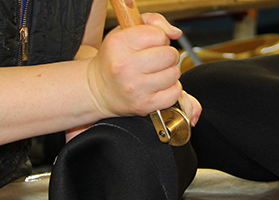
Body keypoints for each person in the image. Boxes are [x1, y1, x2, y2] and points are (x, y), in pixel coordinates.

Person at [0, 0, 201, 197]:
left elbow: (81, 47)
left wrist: (130, 73)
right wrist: (92, 85)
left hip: (12, 177)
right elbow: (90, 83)